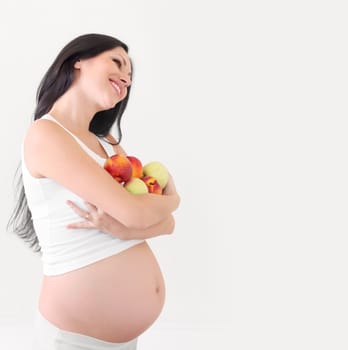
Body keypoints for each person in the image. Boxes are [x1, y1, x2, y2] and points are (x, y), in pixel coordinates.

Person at [7, 33, 180, 350]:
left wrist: (127, 232)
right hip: (72, 341)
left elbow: (166, 225)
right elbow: (136, 213)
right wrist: (173, 199)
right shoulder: (45, 134)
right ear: (77, 61)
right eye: (117, 62)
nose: (126, 78)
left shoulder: (108, 143)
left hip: (125, 341)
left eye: (130, 76)